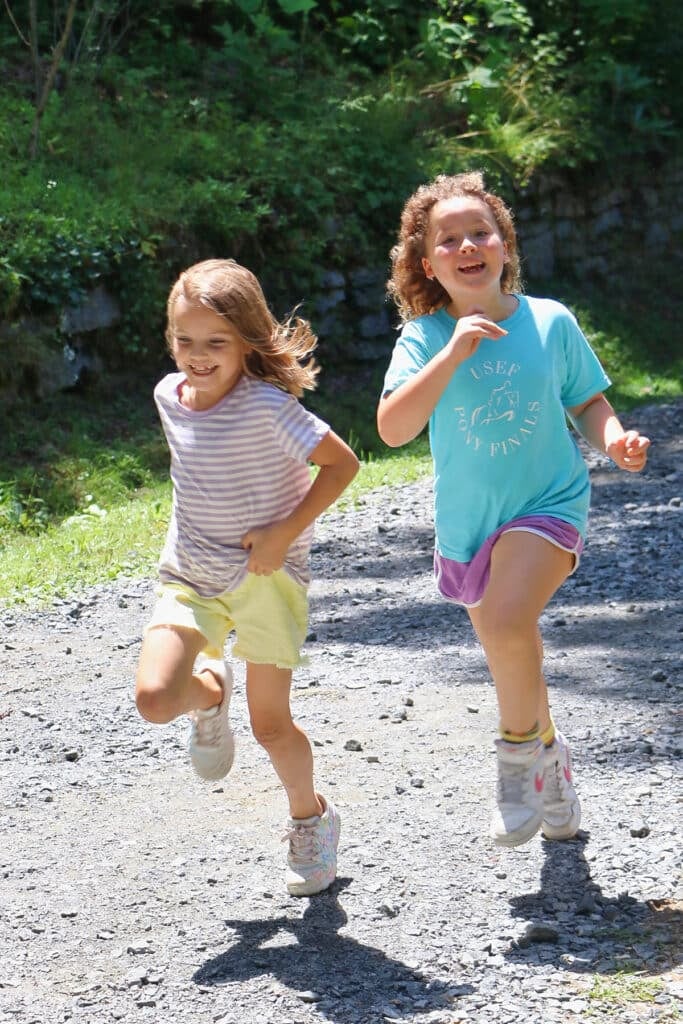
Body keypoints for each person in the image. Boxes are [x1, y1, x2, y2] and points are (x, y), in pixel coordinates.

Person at [376, 172, 650, 848]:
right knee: (510, 645)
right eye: (448, 239)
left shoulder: (548, 320)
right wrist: (451, 352)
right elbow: (391, 428)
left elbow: (585, 400)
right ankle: (550, 762)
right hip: (470, 523)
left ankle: (513, 759)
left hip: (548, 504)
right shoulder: (421, 337)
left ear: (503, 245)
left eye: (480, 232)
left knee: (504, 618)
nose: (467, 246)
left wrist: (613, 440)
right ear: (425, 261)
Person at [135, 259, 359, 894]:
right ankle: (209, 694)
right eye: (184, 340)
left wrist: (285, 532)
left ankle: (310, 818)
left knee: (270, 727)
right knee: (154, 699)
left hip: (268, 580)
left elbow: (342, 466)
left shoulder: (268, 406)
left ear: (246, 341)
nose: (197, 357)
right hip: (191, 575)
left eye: (216, 343)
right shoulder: (166, 396)